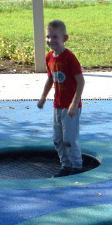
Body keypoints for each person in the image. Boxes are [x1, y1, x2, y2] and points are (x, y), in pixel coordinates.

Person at [36, 19, 85, 177]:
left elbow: (80, 81)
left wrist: (74, 103)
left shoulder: (70, 58)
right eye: (48, 37)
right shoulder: (49, 57)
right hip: (57, 106)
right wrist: (44, 97)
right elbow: (51, 79)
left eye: (55, 37)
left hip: (71, 107)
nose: (51, 41)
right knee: (57, 139)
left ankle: (77, 166)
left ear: (65, 38)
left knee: (69, 140)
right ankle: (65, 165)